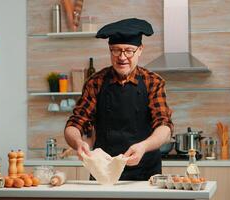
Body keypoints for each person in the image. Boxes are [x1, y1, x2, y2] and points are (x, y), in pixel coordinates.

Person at [64, 18, 173, 180]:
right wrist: (78, 143)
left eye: (129, 50)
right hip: (103, 173)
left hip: (146, 175)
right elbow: (74, 124)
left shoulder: (153, 82)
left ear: (140, 50)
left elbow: (164, 127)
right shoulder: (96, 82)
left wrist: (143, 146)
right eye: (116, 50)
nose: (122, 57)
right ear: (110, 50)